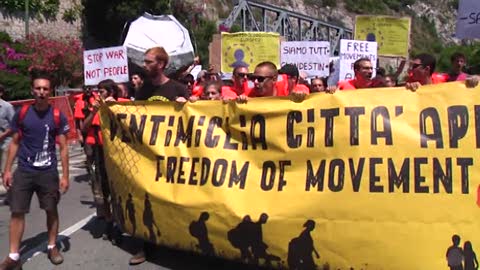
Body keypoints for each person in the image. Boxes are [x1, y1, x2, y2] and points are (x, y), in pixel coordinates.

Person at [0, 71, 70, 269]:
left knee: (51, 209)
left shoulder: (57, 115)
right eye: (38, 88)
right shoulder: (22, 113)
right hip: (24, 170)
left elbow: (64, 148)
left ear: (50, 92)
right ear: (33, 90)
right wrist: (7, 170)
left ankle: (52, 246)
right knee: (17, 211)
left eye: (45, 89)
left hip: (47, 172)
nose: (41, 92)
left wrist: (65, 176)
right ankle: (14, 256)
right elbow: (14, 142)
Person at [130, 46, 188, 265]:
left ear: (161, 64)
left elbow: (192, 123)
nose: (144, 65)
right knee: (145, 200)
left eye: (149, 62)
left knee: (176, 200)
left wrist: (187, 106)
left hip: (173, 156)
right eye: (144, 62)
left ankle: (179, 242)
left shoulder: (178, 89)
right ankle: (144, 246)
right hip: (148, 156)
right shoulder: (142, 91)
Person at [0, 84, 14, 199]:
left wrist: (3, 135)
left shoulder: (7, 107)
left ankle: (12, 195)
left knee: (5, 170)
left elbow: (14, 126)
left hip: (6, 142)